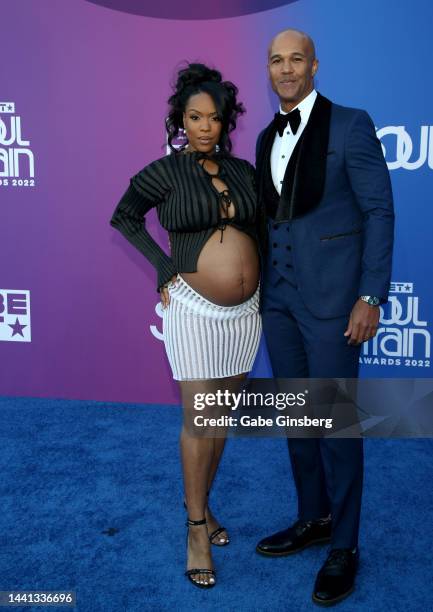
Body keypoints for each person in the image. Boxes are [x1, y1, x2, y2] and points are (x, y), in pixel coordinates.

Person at [254, 29, 394, 606]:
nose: (286, 70)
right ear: (269, 70)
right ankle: (312, 518)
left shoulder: (351, 124)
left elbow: (378, 211)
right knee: (298, 420)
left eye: (296, 60)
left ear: (314, 65)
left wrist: (371, 296)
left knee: (335, 424)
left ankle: (346, 545)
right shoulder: (265, 136)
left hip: (337, 301)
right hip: (280, 301)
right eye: (276, 61)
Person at [109, 63, 261, 589]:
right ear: (181, 120)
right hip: (194, 310)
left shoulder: (243, 172)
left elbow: (260, 228)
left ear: (225, 122)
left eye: (214, 118)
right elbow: (124, 216)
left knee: (219, 419)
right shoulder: (165, 172)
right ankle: (196, 528)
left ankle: (204, 504)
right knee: (199, 420)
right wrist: (161, 263)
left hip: (246, 315)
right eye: (195, 117)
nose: (204, 126)